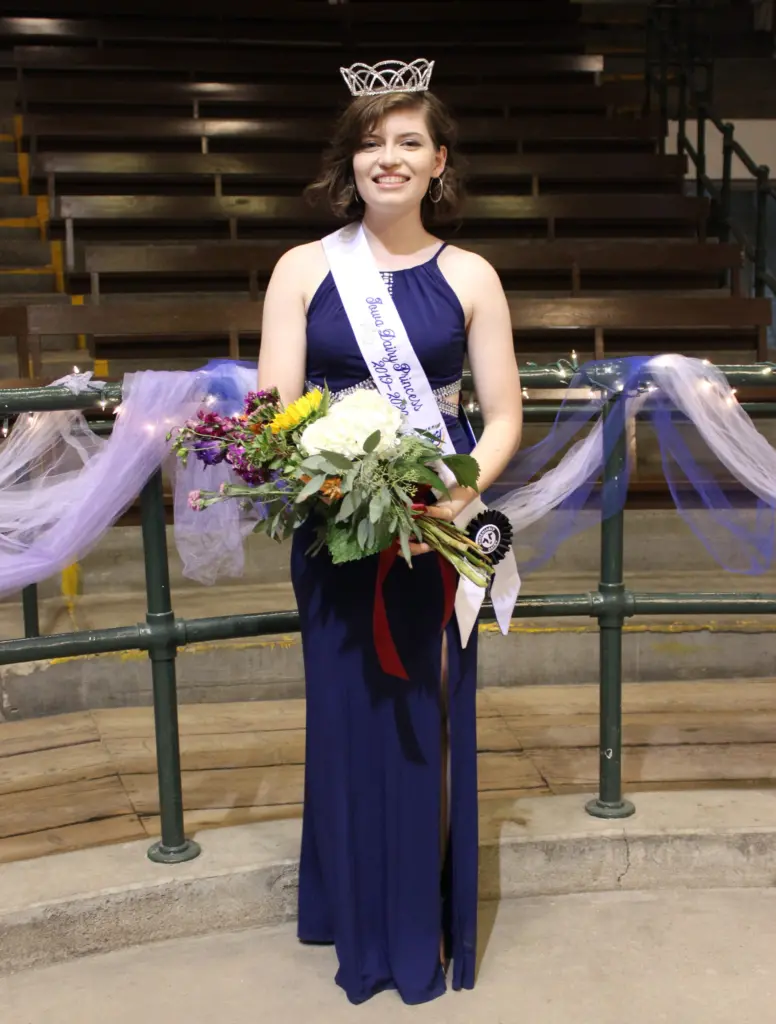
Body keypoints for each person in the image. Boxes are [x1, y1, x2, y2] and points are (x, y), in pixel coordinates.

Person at [257, 59, 523, 1006]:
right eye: (371, 141)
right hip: (333, 526)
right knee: (343, 716)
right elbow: (274, 413)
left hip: (436, 527)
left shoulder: (472, 275)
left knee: (425, 720)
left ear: (438, 161)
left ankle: (417, 921)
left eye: (408, 140)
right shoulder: (302, 269)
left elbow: (501, 417)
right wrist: (326, 484)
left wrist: (458, 495)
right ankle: (353, 911)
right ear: (350, 162)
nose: (389, 157)